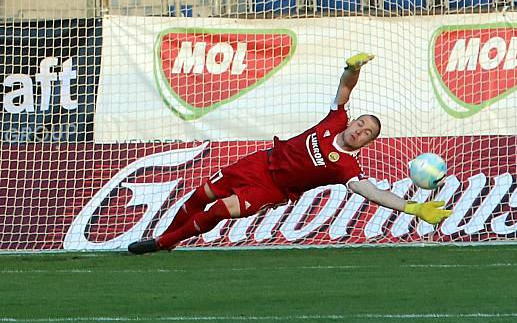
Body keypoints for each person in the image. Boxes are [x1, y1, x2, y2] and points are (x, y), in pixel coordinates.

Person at [128, 53, 451, 254]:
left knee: (218, 211)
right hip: (259, 163)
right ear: (353, 120)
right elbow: (345, 88)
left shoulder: (346, 168)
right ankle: (166, 236)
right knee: (202, 194)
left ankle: (162, 244)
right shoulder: (335, 119)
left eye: (367, 133)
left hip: (272, 189)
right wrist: (352, 68)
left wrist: (413, 207)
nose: (360, 130)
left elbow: (373, 192)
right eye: (361, 123)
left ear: (367, 143)